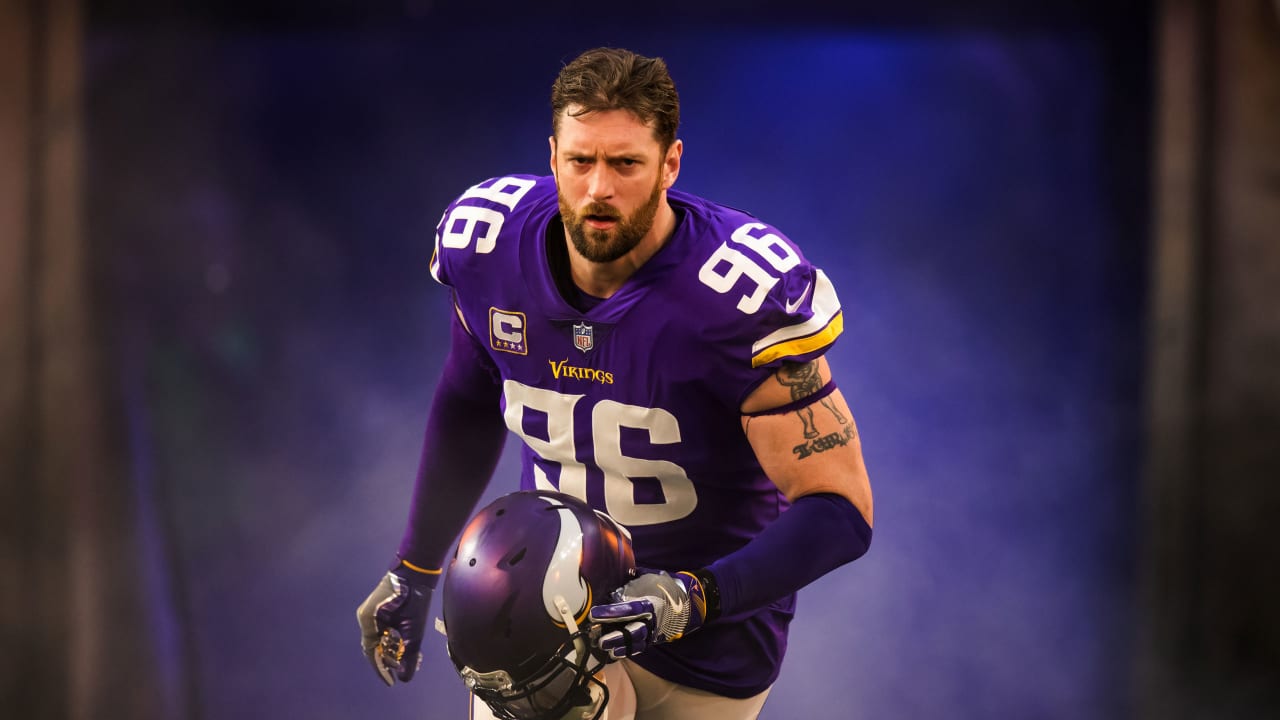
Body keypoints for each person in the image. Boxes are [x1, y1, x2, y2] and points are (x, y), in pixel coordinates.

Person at [357, 46, 874, 720]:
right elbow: (469, 399)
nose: (599, 188)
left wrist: (693, 597)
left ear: (670, 164)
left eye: (625, 163)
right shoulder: (489, 250)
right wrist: (416, 565)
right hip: (545, 621)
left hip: (707, 648)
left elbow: (840, 507)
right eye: (581, 161)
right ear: (553, 158)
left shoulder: (738, 297)